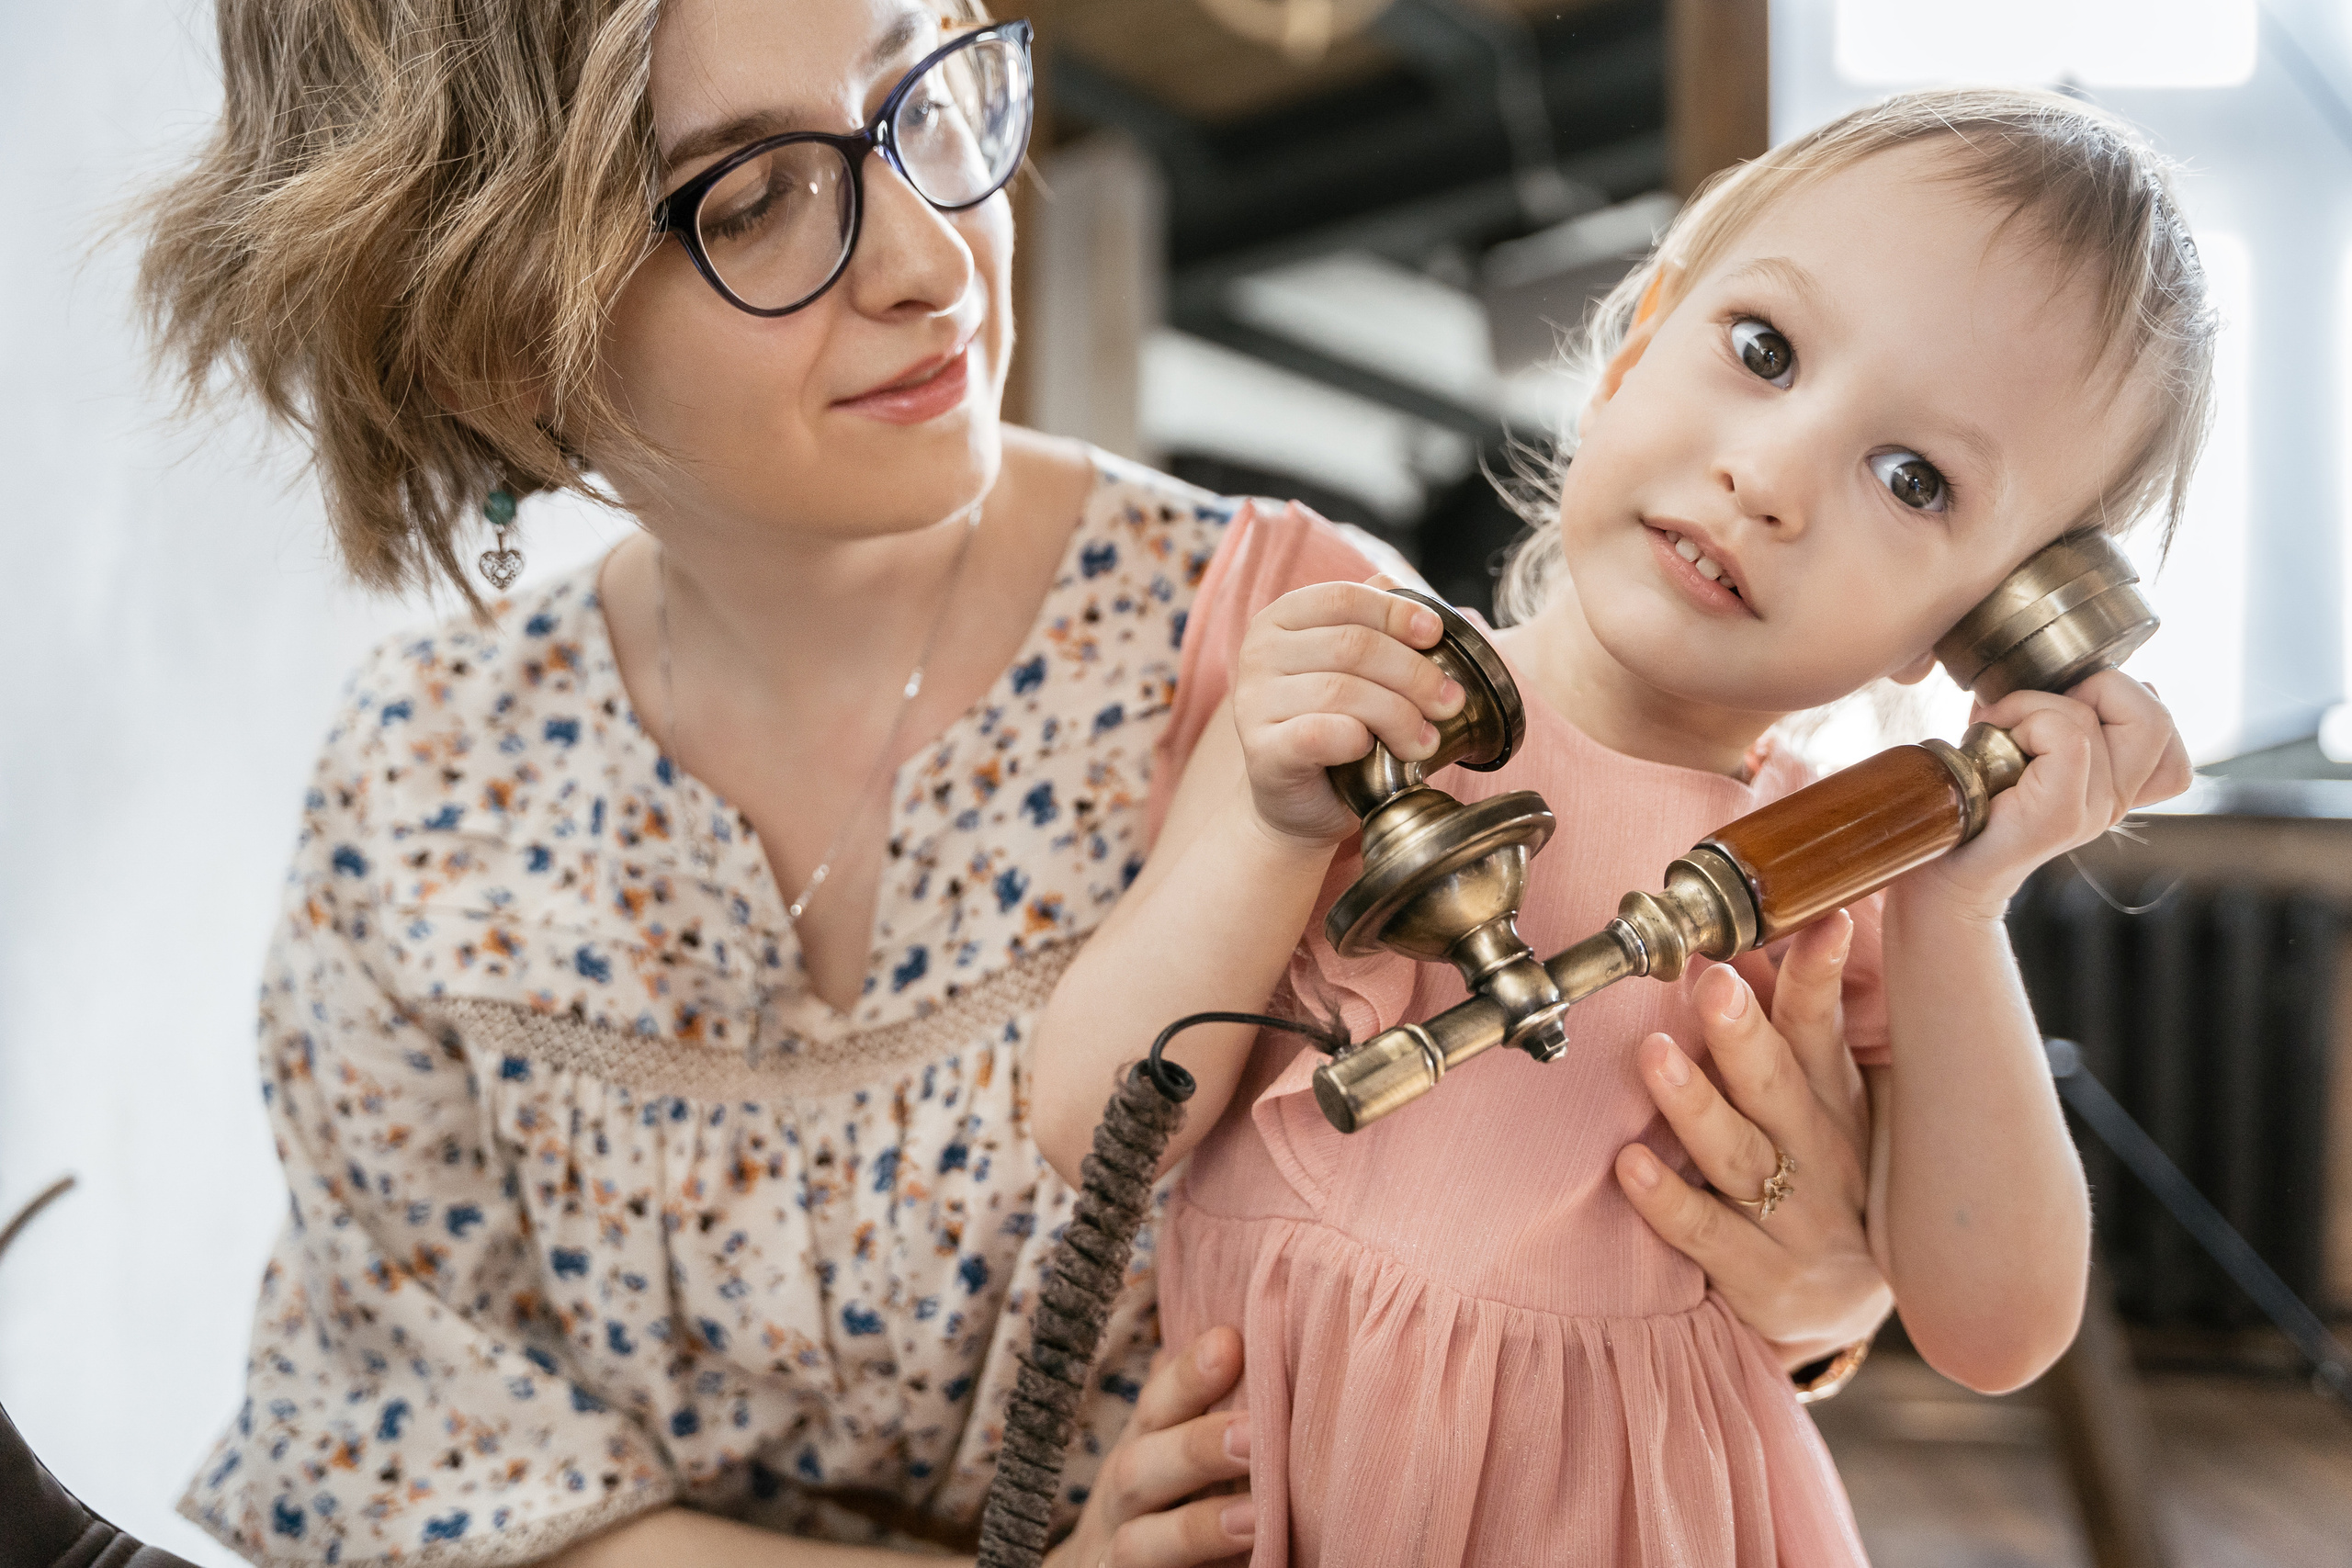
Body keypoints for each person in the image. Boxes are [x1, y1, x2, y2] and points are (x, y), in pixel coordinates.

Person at [136, 1, 1901, 1563]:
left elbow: (1566, 1275)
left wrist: (1809, 1284)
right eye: (754, 199)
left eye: (924, 101)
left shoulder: (1305, 655)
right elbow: (421, 1456)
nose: (932, 256)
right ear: (494, 327)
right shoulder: (424, 791)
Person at [1033, 86, 2208, 1566]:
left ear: (1974, 629)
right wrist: (1270, 829)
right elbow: (1092, 1125)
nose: (1768, 480)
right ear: (1635, 344)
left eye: (1915, 481)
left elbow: (1997, 1329)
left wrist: (1962, 907)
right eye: (1765, 352)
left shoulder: (1837, 887)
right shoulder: (1343, 712)